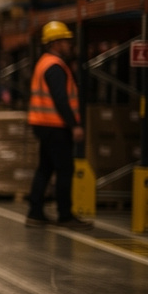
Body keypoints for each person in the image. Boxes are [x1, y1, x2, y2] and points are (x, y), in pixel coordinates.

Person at [26, 21, 93, 230]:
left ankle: (35, 212)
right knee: (65, 169)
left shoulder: (45, 62)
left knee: (45, 168)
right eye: (65, 40)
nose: (69, 44)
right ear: (55, 43)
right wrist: (75, 126)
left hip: (44, 124)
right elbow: (61, 99)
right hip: (54, 126)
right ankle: (65, 216)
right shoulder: (54, 66)